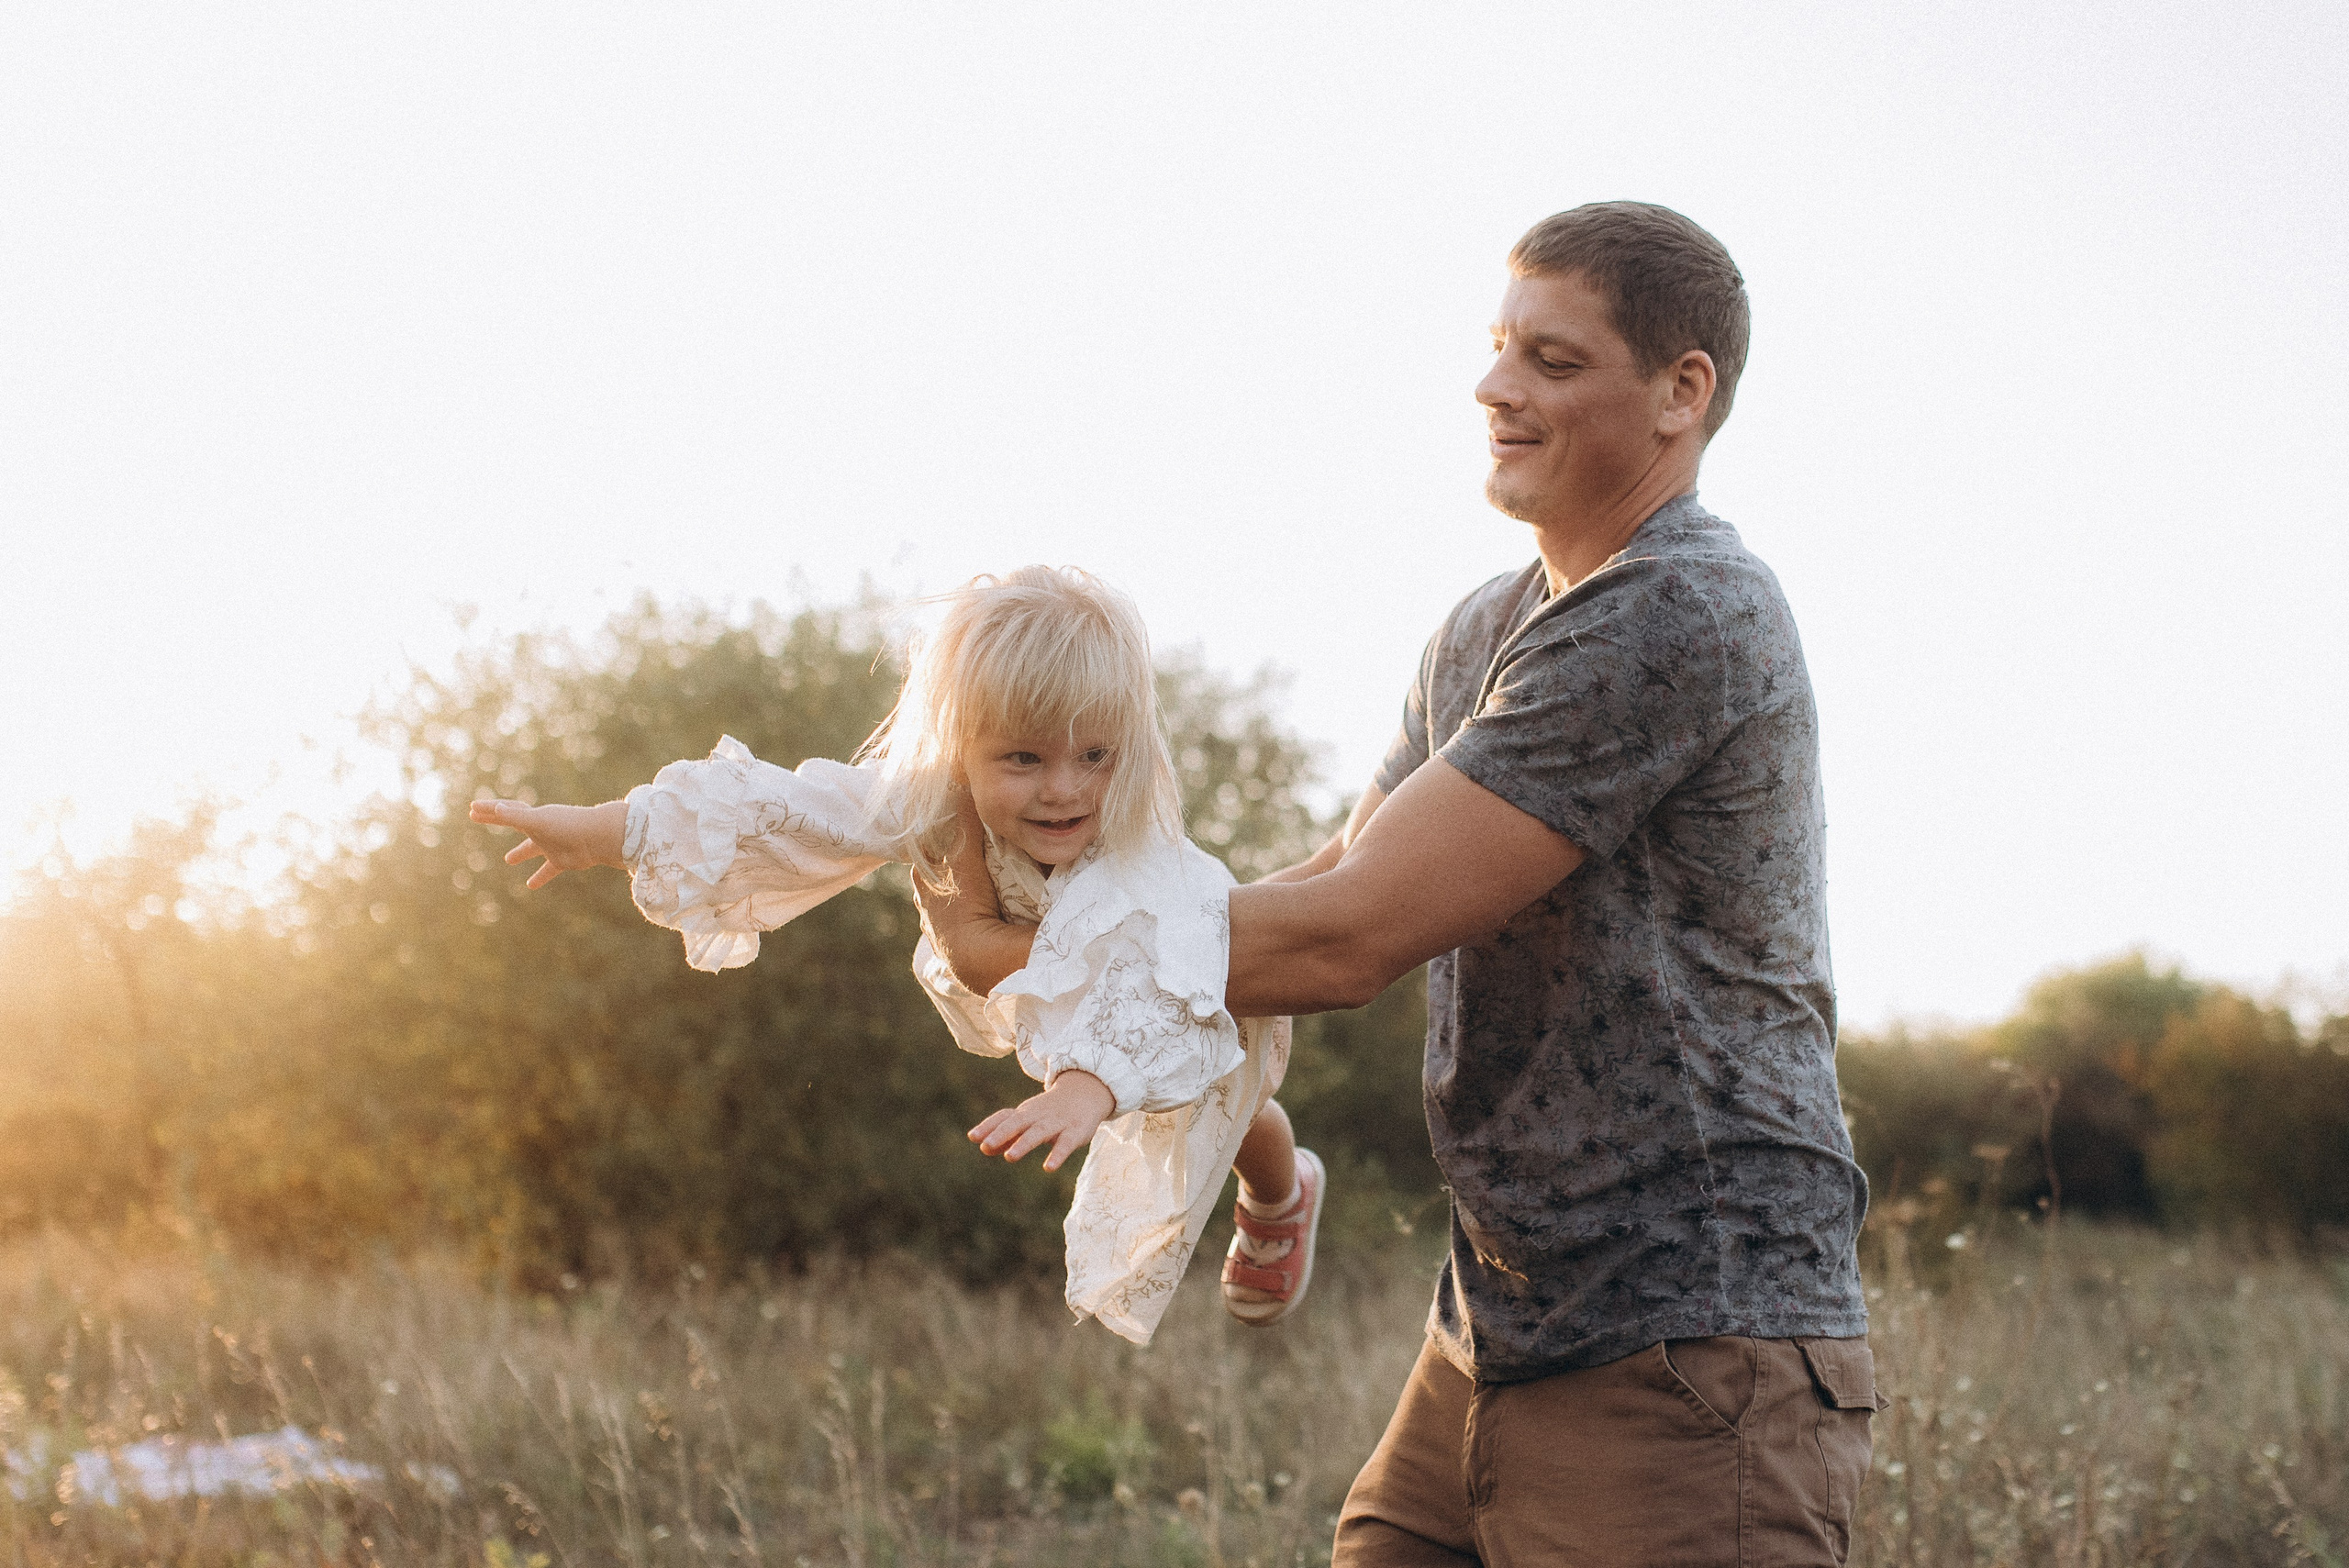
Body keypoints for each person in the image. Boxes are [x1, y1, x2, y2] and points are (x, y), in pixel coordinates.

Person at [919, 205, 1879, 1563]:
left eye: (1551, 360)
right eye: (1498, 347)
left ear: (1681, 391)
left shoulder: (1680, 611)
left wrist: (1010, 945)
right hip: (1497, 1325)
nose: (1494, 386)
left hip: (1690, 1342)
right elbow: (1333, 876)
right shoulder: (1487, 627)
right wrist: (1038, 908)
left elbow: (1345, 942)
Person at [469, 566, 1324, 1345]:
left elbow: (1149, 977)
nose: (1063, 787)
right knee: (1173, 1113)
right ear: (963, 745)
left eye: (1095, 755)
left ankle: (1280, 1194)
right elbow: (790, 807)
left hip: (1187, 995)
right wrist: (605, 831)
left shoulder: (1143, 853)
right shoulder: (935, 794)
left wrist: (1084, 1085)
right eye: (1023, 758)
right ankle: (1239, 1154)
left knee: (1223, 1104)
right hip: (1064, 1018)